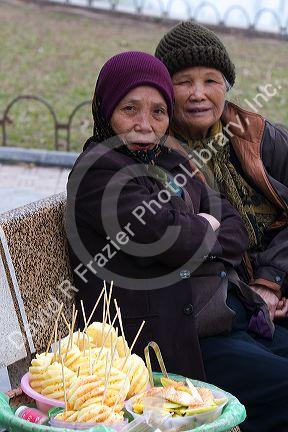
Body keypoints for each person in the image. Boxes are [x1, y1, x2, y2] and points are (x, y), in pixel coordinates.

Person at [65, 51, 287, 432]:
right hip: (169, 345)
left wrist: (198, 227)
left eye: (158, 112)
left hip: (225, 318)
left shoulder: (167, 161)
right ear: (105, 111)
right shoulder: (98, 173)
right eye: (129, 109)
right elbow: (166, 238)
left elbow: (233, 227)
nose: (144, 125)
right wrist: (202, 225)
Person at [155, 22, 288, 431]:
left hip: (267, 300)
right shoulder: (155, 155)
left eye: (211, 80)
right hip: (211, 315)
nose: (199, 93)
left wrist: (272, 278)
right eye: (184, 82)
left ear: (226, 86)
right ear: (163, 90)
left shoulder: (257, 136)